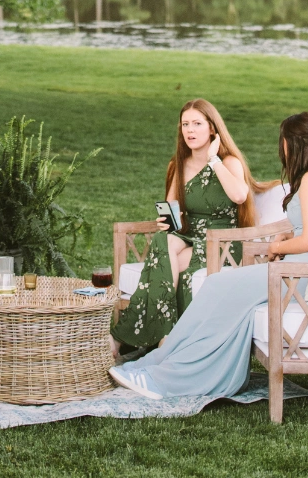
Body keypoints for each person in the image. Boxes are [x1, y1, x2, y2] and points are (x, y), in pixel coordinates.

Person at [110, 111, 308, 400]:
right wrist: (287, 236)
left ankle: (166, 376)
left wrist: (276, 248)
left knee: (217, 286)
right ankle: (162, 360)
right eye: (185, 124)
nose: (281, 148)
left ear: (293, 144)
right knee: (222, 292)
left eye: (283, 141)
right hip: (297, 270)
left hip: (302, 274)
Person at [111, 99, 266, 355]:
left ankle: (130, 338)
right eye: (185, 124)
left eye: (197, 124)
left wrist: (213, 160)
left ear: (212, 128)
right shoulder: (179, 165)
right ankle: (167, 335)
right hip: (189, 236)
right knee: (161, 241)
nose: (190, 130)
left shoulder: (228, 162)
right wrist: (166, 221)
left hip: (222, 243)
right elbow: (171, 207)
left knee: (163, 266)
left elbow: (239, 196)